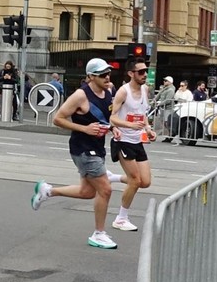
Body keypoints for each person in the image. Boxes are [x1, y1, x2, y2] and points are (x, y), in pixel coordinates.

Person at [32, 58, 119, 249]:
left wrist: (112, 128)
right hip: (82, 148)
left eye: (108, 73)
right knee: (105, 189)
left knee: (87, 192)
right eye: (103, 75)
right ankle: (99, 234)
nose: (107, 77)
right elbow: (58, 119)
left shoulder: (109, 91)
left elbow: (105, 116)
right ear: (90, 77)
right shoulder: (80, 95)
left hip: (97, 146)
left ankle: (47, 190)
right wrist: (85, 129)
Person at [108, 58, 154, 231]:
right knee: (135, 181)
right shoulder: (122, 92)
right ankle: (121, 218)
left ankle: (113, 177)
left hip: (137, 141)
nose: (144, 75)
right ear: (130, 74)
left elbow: (143, 115)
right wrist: (128, 126)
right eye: (141, 72)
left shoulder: (145, 90)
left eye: (146, 71)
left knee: (146, 182)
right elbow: (112, 117)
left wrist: (148, 129)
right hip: (123, 141)